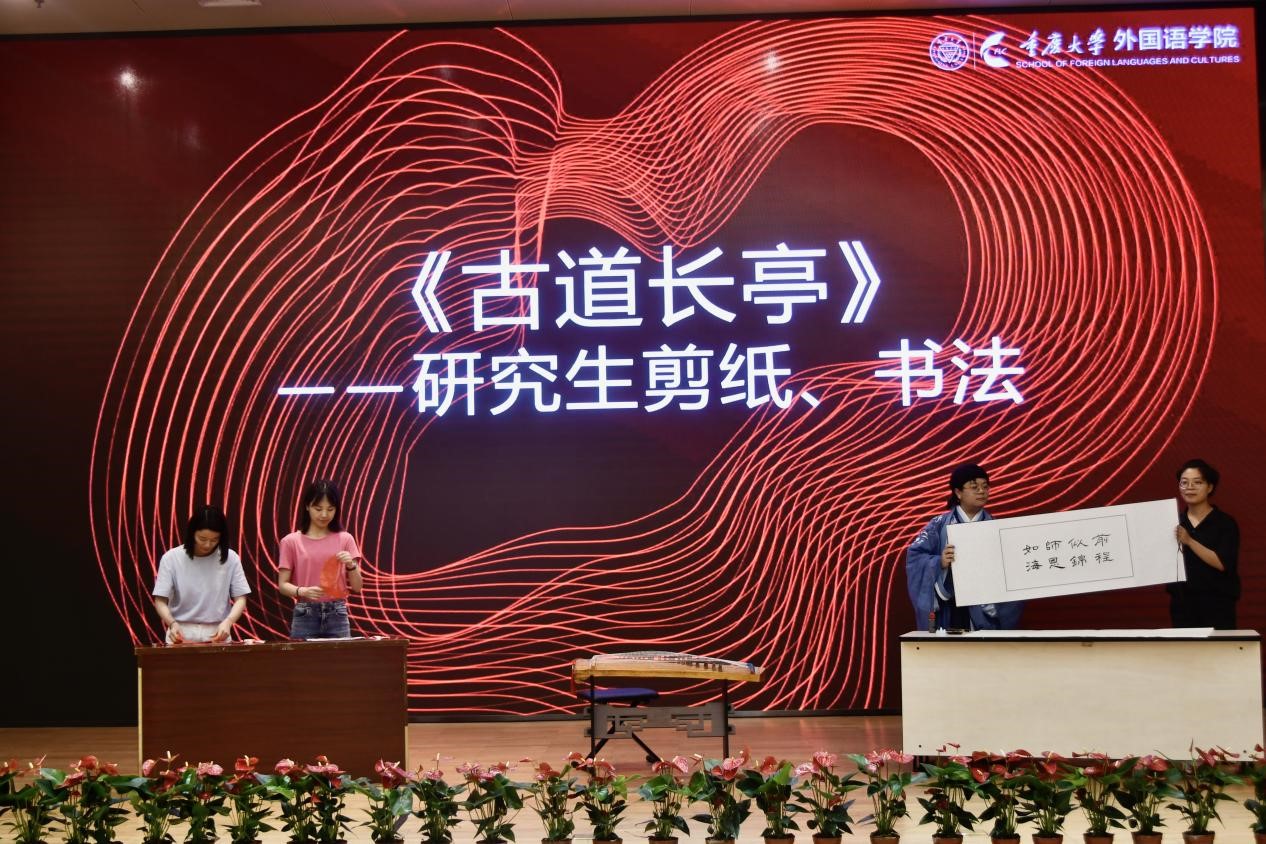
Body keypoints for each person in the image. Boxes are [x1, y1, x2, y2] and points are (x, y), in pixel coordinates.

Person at [906, 462, 1023, 632]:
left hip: (984, 607)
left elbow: (1014, 570)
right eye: (974, 487)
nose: (981, 491)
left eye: (985, 486)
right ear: (958, 492)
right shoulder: (938, 525)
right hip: (948, 609)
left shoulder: (998, 529)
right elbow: (915, 557)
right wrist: (939, 562)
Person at [278, 479, 363, 639]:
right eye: (318, 509)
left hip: (337, 613)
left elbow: (357, 587)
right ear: (307, 506)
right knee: (303, 656)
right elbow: (282, 585)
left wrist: (351, 565)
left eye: (330, 509)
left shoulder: (345, 539)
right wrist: (302, 591)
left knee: (342, 656)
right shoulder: (291, 541)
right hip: (305, 613)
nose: (324, 515)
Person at [152, 505, 250, 644]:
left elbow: (240, 598)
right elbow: (160, 600)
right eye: (202, 539)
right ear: (192, 533)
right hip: (181, 630)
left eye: (214, 540)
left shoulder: (231, 558)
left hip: (218, 631)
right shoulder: (171, 558)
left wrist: (228, 622)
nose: (208, 545)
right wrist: (172, 623)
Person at [1168, 458, 1240, 629]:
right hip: (1182, 605)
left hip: (1218, 605)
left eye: (1197, 482)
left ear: (1210, 487)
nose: (1189, 487)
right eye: (1184, 483)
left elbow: (1222, 563)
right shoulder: (1173, 522)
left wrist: (1189, 541)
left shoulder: (1225, 523)